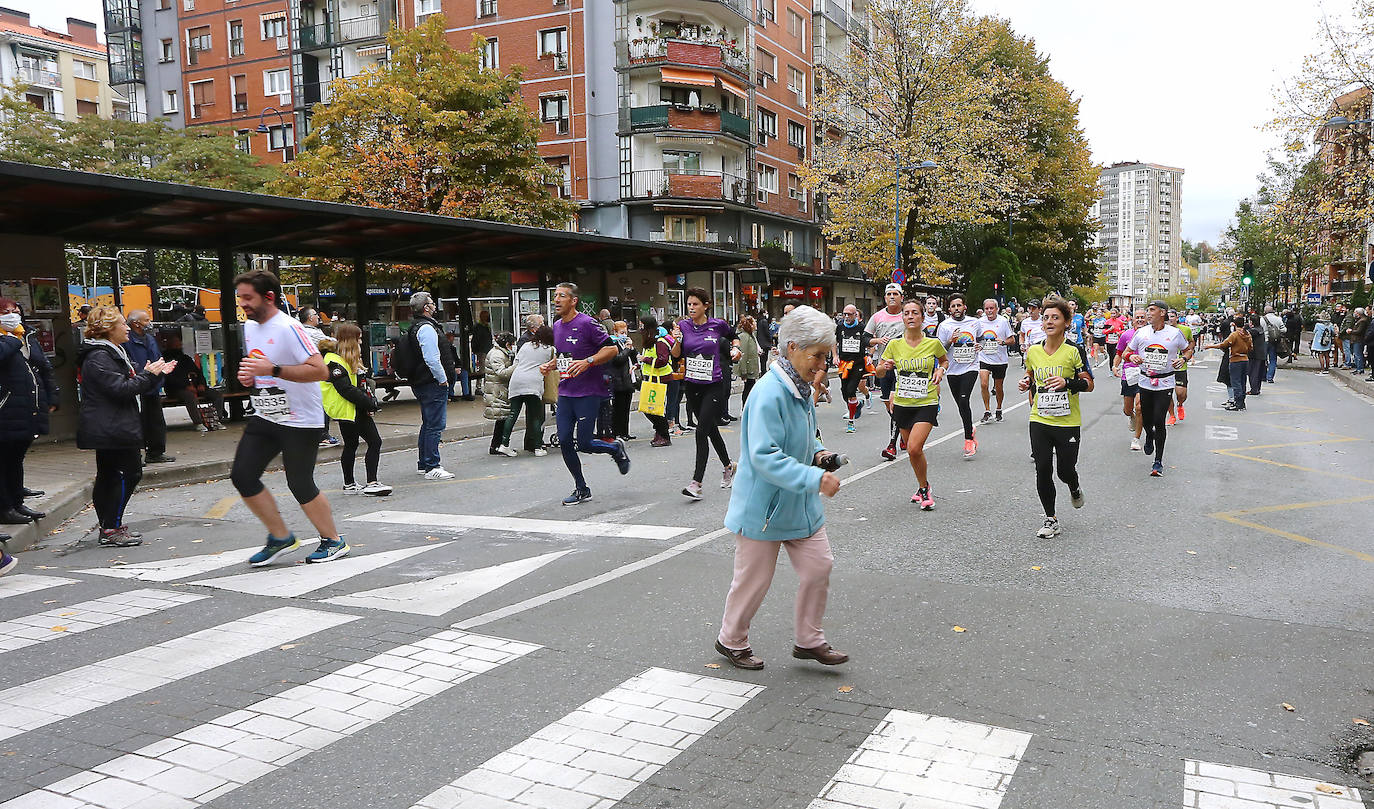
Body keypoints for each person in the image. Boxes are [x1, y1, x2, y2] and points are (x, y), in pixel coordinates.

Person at [715, 304, 847, 670]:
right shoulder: (768, 393)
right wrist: (815, 478)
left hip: (800, 505)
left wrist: (821, 454)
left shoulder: (802, 386)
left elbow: (807, 436)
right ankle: (731, 639)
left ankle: (809, 640)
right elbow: (763, 456)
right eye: (817, 355)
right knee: (754, 581)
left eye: (825, 355)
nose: (822, 364)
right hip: (765, 508)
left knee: (819, 567)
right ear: (792, 348)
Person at [229, 269, 349, 566]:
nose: (242, 303)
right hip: (266, 414)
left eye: (247, 298)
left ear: (268, 297)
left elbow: (319, 370)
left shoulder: (289, 328)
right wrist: (251, 377)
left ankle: (334, 540)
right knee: (242, 475)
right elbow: (260, 366)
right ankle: (280, 536)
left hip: (300, 419)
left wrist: (272, 371)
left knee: (299, 482)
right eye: (240, 297)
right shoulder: (250, 327)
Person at [76, 306, 178, 546]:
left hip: (112, 424)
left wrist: (153, 371)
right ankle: (111, 527)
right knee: (126, 474)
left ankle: (109, 525)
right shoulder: (99, 356)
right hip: (111, 426)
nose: (127, 328)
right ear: (109, 330)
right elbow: (121, 388)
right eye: (122, 324)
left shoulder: (112, 352)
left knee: (110, 475)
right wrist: (149, 375)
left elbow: (126, 381)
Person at [543, 283, 631, 506]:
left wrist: (588, 361)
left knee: (584, 443)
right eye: (555, 296)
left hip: (588, 392)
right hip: (566, 392)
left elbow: (612, 349)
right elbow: (566, 356)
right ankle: (582, 488)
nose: (556, 300)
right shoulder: (557, 326)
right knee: (563, 440)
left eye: (561, 296)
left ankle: (614, 448)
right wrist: (551, 365)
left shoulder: (588, 323)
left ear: (573, 301)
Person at [1018, 298, 1092, 538]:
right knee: (1042, 468)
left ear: (1067, 322)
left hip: (1068, 421)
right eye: (1046, 317)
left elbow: (1089, 384)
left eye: (1055, 318)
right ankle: (1050, 518)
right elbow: (1030, 375)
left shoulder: (1074, 350)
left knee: (1065, 470)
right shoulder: (1034, 351)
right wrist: (1025, 382)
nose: (1049, 321)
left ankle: (1074, 486)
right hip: (1040, 418)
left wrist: (1067, 383)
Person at [876, 298, 949, 508]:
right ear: (902, 317)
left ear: (922, 317)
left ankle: (925, 491)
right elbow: (879, 371)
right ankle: (923, 484)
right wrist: (886, 367)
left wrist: (940, 369)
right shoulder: (894, 344)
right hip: (902, 403)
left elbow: (944, 360)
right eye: (907, 313)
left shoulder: (932, 343)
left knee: (915, 448)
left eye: (915, 313)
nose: (910, 316)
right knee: (911, 449)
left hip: (926, 401)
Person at [672, 288, 740, 500]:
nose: (691, 308)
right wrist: (676, 340)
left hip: (714, 384)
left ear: (705, 306)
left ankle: (696, 483)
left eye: (695, 304)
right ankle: (729, 465)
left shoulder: (717, 325)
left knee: (701, 431)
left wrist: (736, 349)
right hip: (693, 384)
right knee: (710, 429)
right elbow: (676, 355)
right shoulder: (682, 326)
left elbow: (734, 336)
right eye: (689, 304)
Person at [1122, 300, 1192, 477]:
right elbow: (1125, 352)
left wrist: (1183, 359)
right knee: (1146, 419)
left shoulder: (1175, 334)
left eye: (1152, 310)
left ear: (1162, 313)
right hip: (1145, 382)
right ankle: (1149, 435)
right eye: (1147, 310)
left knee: (1159, 420)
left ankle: (1158, 461)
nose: (1148, 313)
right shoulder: (1141, 332)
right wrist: (1132, 357)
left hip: (1165, 382)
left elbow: (1188, 350)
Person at [321, 323, 391, 496]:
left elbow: (356, 384)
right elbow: (346, 389)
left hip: (347, 410)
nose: (360, 342)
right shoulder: (334, 361)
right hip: (350, 409)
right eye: (358, 339)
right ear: (349, 340)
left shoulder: (339, 358)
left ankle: (350, 484)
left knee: (351, 445)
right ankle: (372, 482)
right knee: (375, 441)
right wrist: (370, 403)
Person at [0, 297, 51, 528]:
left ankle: (16, 500)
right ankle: (5, 507)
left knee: (15, 458)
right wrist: (13, 339)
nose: (12, 315)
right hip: (6, 409)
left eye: (14, 311)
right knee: (4, 459)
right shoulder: (11, 339)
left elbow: (40, 368)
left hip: (24, 408)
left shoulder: (24, 336)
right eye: (5, 312)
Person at [405, 291, 457, 480]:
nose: (435, 305)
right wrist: (442, 379)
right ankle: (432, 465)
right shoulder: (427, 328)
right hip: (431, 382)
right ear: (426, 308)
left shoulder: (416, 326)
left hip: (422, 381)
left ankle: (424, 463)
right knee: (435, 424)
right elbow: (432, 358)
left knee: (428, 423)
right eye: (432, 303)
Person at [123, 310, 174, 465]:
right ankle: (137, 455)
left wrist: (158, 378)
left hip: (152, 384)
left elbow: (157, 358)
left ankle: (156, 452)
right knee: (138, 422)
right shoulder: (127, 341)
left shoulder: (150, 339)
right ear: (136, 323)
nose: (149, 323)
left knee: (156, 421)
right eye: (146, 320)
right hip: (138, 384)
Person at [936, 293, 981, 458]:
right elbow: (939, 351)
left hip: (971, 366)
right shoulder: (945, 326)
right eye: (953, 306)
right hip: (953, 369)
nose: (956, 309)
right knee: (961, 405)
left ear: (964, 307)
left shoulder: (974, 322)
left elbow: (981, 339)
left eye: (959, 305)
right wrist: (950, 341)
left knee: (964, 399)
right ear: (949, 309)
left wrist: (979, 345)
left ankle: (968, 439)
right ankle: (971, 428)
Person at [864, 284, 907, 460]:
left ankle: (891, 445)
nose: (891, 297)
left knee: (894, 402)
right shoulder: (878, 316)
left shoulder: (908, 314)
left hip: (903, 367)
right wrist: (877, 340)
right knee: (889, 405)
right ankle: (903, 431)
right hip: (884, 365)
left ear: (901, 297)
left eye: (895, 294)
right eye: (888, 294)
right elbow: (865, 338)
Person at [500, 324, 553, 456]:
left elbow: (516, 362)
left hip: (517, 380)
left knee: (513, 414)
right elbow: (553, 365)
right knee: (535, 416)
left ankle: (504, 444)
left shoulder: (525, 346)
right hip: (533, 383)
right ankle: (538, 447)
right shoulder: (549, 349)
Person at [161, 333, 228, 431]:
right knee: (190, 397)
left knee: (217, 395)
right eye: (176, 343)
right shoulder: (165, 359)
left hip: (195, 385)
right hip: (176, 389)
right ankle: (198, 422)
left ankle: (216, 420)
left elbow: (198, 372)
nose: (179, 345)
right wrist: (185, 386)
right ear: (169, 344)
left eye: (179, 343)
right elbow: (169, 378)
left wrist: (201, 384)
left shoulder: (185, 358)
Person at [1113, 309, 1147, 451]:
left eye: (1142, 317)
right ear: (1132, 320)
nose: (1139, 320)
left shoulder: (1151, 335)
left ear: (1147, 319)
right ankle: (1131, 416)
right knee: (1128, 409)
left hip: (1145, 375)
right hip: (1129, 375)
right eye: (1137, 317)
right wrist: (1115, 366)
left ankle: (1136, 438)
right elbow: (1119, 353)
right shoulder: (1126, 335)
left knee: (1140, 407)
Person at [832, 304, 870, 433]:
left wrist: (869, 355)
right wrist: (835, 356)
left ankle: (851, 421)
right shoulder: (840, 327)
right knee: (844, 391)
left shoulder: (861, 327)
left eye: (849, 314)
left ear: (855, 315)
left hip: (857, 363)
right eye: (844, 314)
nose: (846, 317)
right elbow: (834, 341)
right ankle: (856, 404)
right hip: (843, 363)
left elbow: (869, 341)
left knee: (851, 389)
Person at [977, 298, 1015, 423]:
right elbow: (975, 338)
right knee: (984, 384)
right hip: (984, 357)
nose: (989, 311)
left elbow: (1012, 340)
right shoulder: (979, 322)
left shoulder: (1003, 321)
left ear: (997, 309)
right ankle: (987, 410)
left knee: (998, 387)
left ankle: (998, 408)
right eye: (986, 309)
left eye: (991, 308)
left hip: (999, 360)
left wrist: (1003, 342)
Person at [637, 317, 674, 447]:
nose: (640, 328)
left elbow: (662, 360)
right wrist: (638, 364)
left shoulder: (660, 342)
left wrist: (645, 359)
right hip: (651, 378)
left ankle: (664, 435)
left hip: (661, 379)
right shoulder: (650, 341)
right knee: (649, 408)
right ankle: (660, 431)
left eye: (642, 326)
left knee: (655, 409)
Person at [1204, 315, 1252, 412]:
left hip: (1235, 359)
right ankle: (1242, 403)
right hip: (1245, 359)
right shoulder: (1248, 334)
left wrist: (1210, 346)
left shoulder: (1234, 335)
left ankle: (1237, 403)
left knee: (1236, 382)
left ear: (1234, 324)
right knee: (1243, 382)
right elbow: (1251, 347)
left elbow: (1223, 344)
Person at [484, 332, 518, 456]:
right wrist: (516, 366)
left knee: (502, 419)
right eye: (511, 344)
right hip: (497, 390)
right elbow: (501, 373)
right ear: (507, 344)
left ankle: (497, 445)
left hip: (500, 389)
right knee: (502, 419)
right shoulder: (496, 355)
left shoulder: (501, 352)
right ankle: (496, 445)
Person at [606, 321, 638, 442]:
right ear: (615, 332)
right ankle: (616, 432)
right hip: (618, 380)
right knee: (618, 408)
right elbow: (618, 360)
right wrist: (626, 349)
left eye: (626, 332)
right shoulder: (612, 343)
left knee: (626, 408)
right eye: (622, 333)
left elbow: (635, 357)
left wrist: (632, 348)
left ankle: (625, 432)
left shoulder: (626, 344)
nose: (624, 335)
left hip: (628, 379)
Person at [1165, 309, 1193, 425]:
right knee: (1167, 394)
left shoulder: (1185, 330)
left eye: (1172, 316)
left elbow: (1191, 342)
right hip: (1167, 367)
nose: (1170, 318)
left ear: (1177, 318)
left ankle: (1180, 404)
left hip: (1180, 366)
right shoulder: (1163, 331)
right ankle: (1171, 415)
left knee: (1181, 393)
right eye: (1168, 316)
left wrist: (1187, 353)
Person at [735, 315, 763, 406]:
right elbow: (743, 354)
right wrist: (743, 372)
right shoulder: (744, 336)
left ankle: (749, 407)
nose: (755, 324)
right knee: (748, 389)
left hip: (752, 368)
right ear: (750, 324)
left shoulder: (751, 335)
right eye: (754, 322)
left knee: (750, 388)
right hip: (748, 369)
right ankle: (745, 408)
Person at [1262, 304, 1286, 382]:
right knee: (1273, 360)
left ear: (1265, 311)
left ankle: (1263, 376)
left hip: (1264, 341)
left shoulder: (1262, 319)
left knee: (1263, 359)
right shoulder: (1278, 319)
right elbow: (1284, 330)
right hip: (1274, 341)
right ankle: (1270, 377)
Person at [1245, 312, 1266, 397]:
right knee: (1258, 372)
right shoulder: (1260, 328)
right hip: (1261, 354)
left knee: (1252, 372)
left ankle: (1254, 389)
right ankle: (1257, 388)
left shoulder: (1253, 331)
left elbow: (1245, 335)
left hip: (1254, 354)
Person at [1344, 307, 1368, 374]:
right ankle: (1358, 368)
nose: (1354, 313)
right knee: (1356, 354)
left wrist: (1351, 331)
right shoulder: (1359, 320)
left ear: (1358, 313)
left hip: (1358, 340)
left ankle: (1360, 368)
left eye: (1355, 312)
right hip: (1355, 340)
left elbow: (1359, 331)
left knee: (1358, 354)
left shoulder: (1363, 320)